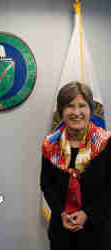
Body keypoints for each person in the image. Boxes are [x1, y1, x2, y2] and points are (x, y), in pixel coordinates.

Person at [40, 81, 111, 250]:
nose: (76, 112)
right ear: (61, 111)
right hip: (62, 232)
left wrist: (87, 215)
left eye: (82, 106)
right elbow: (46, 185)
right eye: (70, 106)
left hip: (98, 233)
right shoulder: (50, 144)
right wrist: (62, 213)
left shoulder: (106, 143)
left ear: (91, 110)